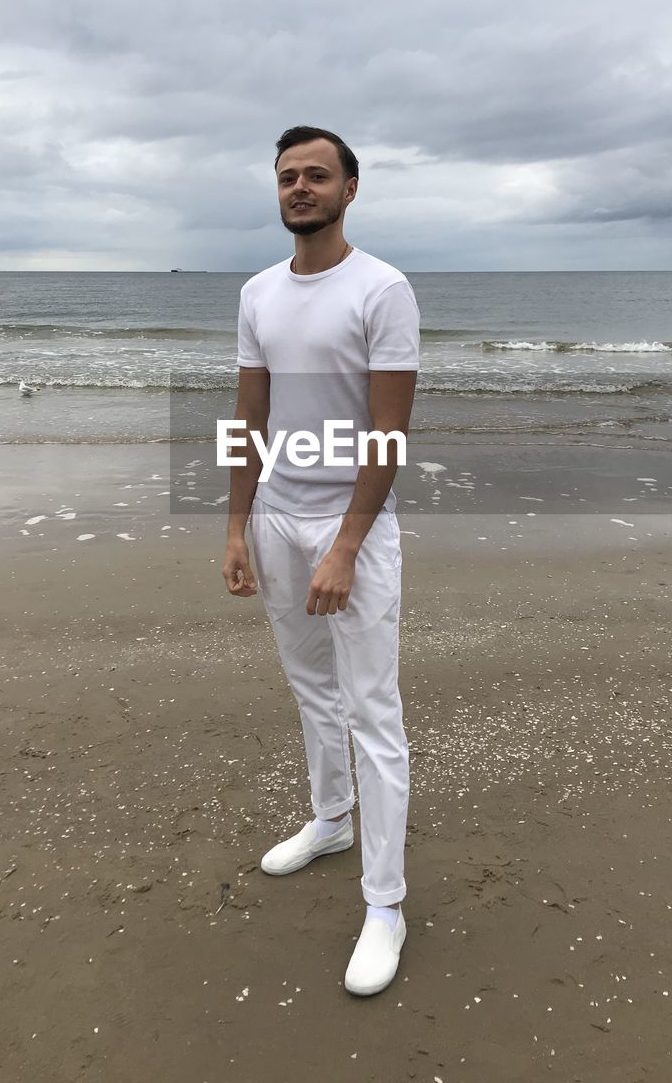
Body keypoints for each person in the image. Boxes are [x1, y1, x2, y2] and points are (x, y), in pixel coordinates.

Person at [221, 125, 420, 996]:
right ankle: (330, 820)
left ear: (350, 188)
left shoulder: (383, 289)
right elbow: (248, 417)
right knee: (310, 691)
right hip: (275, 519)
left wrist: (346, 544)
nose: (300, 187)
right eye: (287, 177)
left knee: (373, 711)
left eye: (316, 175)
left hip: (354, 531)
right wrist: (236, 525)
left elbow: (389, 434)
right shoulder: (258, 292)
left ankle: (386, 905)